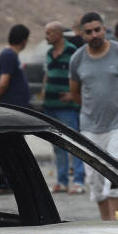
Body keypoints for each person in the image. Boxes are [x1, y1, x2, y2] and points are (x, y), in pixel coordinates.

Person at [69, 12, 118, 221]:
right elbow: (75, 92)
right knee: (96, 180)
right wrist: (94, 107)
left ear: (104, 29)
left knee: (116, 176)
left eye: (97, 30)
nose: (94, 35)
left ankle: (117, 225)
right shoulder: (78, 59)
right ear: (83, 35)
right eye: (89, 32)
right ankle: (106, 226)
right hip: (90, 128)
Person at [42, 21, 84, 194]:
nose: (46, 36)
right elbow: (47, 75)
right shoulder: (49, 53)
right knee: (57, 145)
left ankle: (79, 181)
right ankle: (62, 181)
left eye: (49, 33)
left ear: (59, 34)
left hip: (67, 107)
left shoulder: (72, 52)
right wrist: (44, 93)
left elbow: (81, 76)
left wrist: (73, 95)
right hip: (50, 106)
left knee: (74, 143)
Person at [0, 24, 30, 195]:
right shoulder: (8, 55)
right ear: (24, 40)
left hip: (16, 108)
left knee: (13, 145)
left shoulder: (12, 55)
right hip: (10, 109)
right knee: (10, 145)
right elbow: (4, 81)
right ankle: (5, 183)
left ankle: (11, 181)